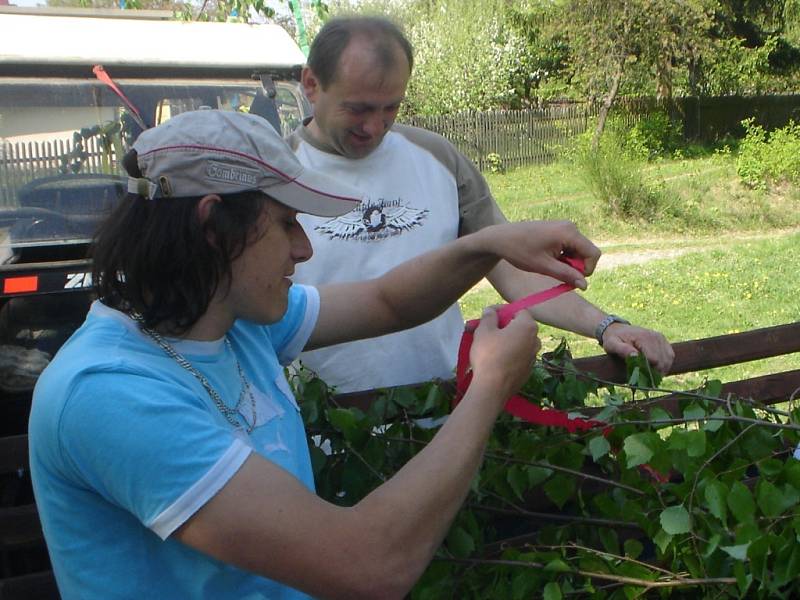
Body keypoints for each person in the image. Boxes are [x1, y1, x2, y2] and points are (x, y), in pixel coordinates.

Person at [28, 109, 601, 599]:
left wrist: (489, 243)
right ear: (211, 228)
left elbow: (387, 300)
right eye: (286, 223)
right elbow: (369, 566)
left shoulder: (228, 322)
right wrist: (489, 387)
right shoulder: (111, 392)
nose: (304, 248)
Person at [287, 16, 675, 394]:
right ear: (312, 84)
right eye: (357, 108)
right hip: (326, 432)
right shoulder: (277, 175)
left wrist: (606, 326)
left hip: (441, 408)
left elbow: (510, 267)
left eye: (390, 108)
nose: (373, 126)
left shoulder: (436, 158)